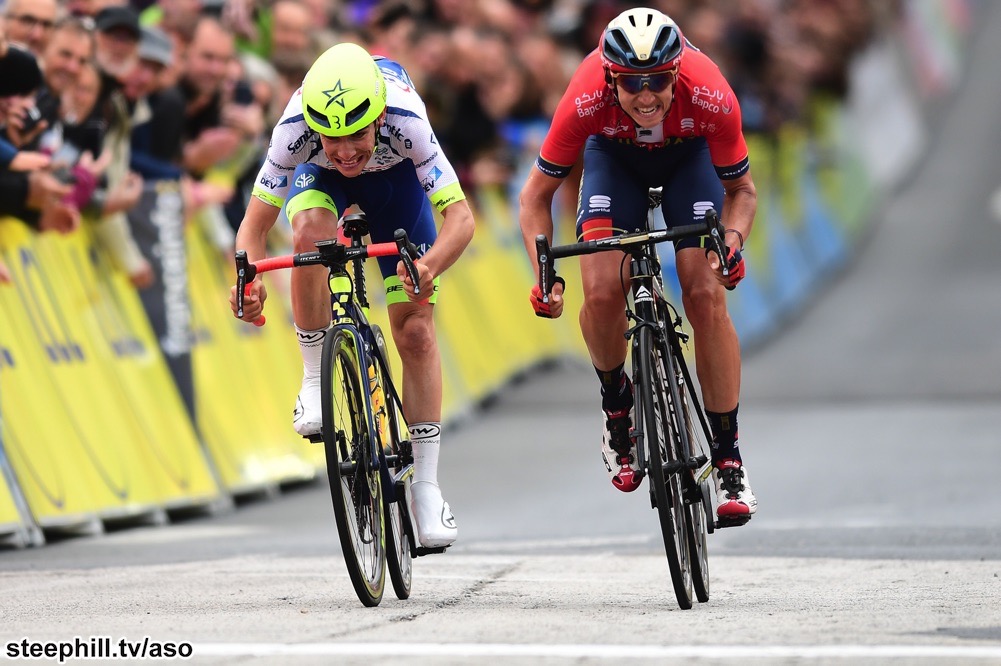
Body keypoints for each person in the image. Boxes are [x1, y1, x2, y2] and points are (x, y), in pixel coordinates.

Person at [229, 42, 474, 548]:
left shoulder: (406, 118)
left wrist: (427, 267)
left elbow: (461, 219)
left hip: (398, 190)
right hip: (320, 185)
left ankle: (426, 487)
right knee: (308, 234)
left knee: (416, 331)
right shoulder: (294, 128)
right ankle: (314, 377)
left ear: (378, 117)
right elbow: (253, 228)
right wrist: (248, 282)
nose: (344, 151)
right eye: (331, 137)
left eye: (356, 134)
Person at [519, 8, 757, 522]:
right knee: (603, 292)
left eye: (658, 82)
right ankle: (616, 405)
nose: (646, 96)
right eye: (631, 83)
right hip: (614, 161)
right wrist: (544, 274)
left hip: (689, 160)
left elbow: (742, 191)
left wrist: (732, 243)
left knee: (704, 294)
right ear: (611, 78)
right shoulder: (584, 95)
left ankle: (728, 456)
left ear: (677, 73)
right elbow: (535, 197)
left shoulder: (710, 92)